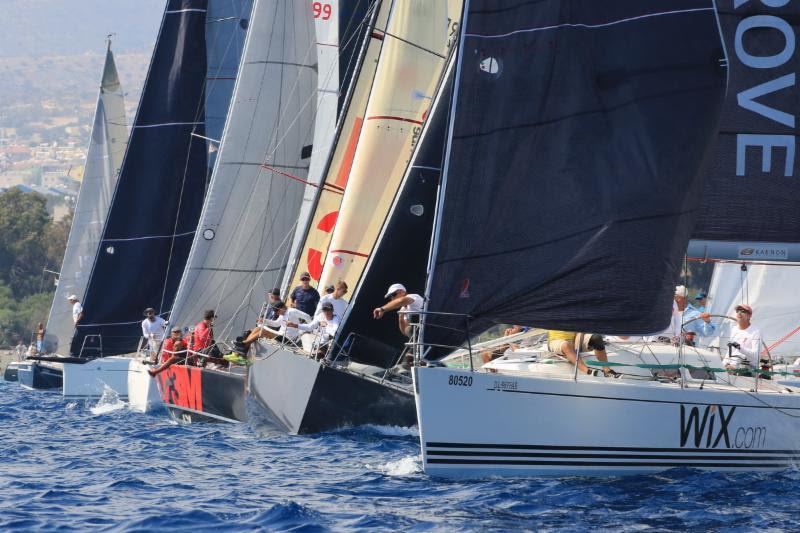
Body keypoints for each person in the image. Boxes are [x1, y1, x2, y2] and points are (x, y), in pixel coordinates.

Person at [241, 301, 311, 352]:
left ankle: (243, 345)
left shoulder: (292, 311)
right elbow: (276, 324)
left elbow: (307, 316)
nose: (276, 312)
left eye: (277, 310)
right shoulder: (282, 314)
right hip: (280, 335)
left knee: (262, 332)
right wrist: (264, 320)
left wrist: (309, 329)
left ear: (282, 307)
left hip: (288, 339)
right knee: (257, 328)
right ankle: (243, 345)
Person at [547, 330, 616, 377]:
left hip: (575, 340)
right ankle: (587, 371)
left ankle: (607, 370)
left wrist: (577, 345)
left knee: (596, 338)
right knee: (566, 345)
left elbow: (580, 330)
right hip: (555, 341)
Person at [722, 304, 762, 373]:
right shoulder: (734, 329)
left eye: (743, 311)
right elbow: (729, 351)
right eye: (738, 311)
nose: (739, 313)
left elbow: (756, 354)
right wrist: (724, 364)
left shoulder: (756, 331)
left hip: (748, 369)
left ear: (749, 316)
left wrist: (740, 348)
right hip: (732, 367)